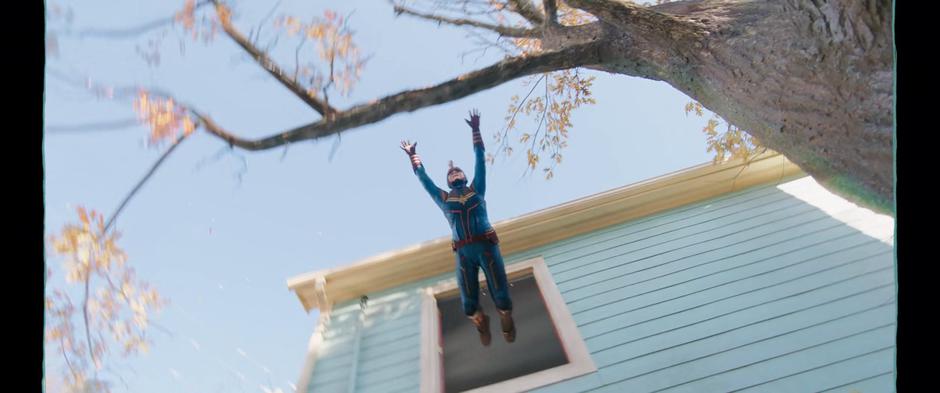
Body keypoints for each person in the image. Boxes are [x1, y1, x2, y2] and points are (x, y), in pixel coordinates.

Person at [399, 109, 515, 346]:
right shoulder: (444, 198)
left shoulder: (477, 189)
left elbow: (480, 160)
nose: (455, 173)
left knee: (501, 295)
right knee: (469, 305)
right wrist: (413, 155)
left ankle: (505, 317)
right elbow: (425, 180)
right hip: (463, 253)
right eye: (451, 173)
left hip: (486, 246)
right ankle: (480, 321)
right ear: (448, 180)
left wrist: (475, 130)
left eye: (458, 171)